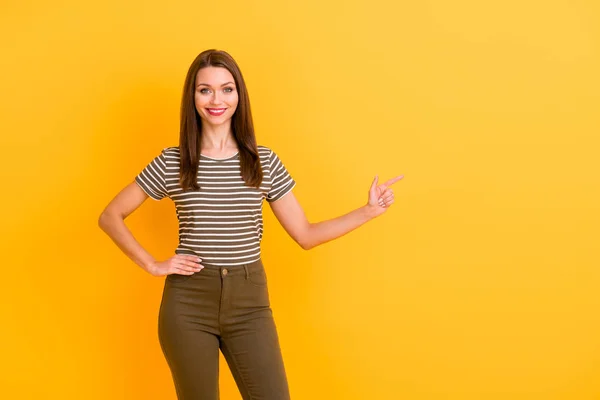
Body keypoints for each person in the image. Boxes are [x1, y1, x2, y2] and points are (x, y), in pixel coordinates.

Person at [98, 49, 403, 400]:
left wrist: (368, 210)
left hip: (249, 303)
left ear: (239, 96)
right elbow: (110, 215)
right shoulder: (174, 161)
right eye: (205, 90)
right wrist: (152, 263)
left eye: (227, 89)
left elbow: (305, 235)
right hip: (188, 302)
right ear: (192, 97)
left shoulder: (262, 161)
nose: (217, 99)